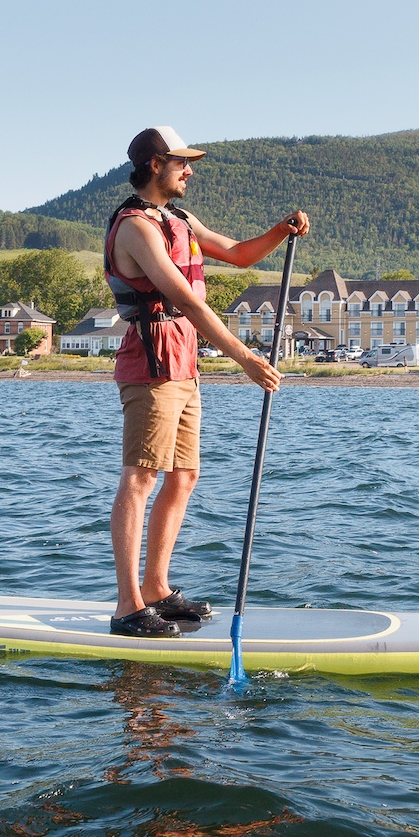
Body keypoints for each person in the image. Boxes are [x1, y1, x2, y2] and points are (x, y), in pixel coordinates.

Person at [104, 125, 310, 637]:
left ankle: (156, 588)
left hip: (184, 364)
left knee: (184, 476)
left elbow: (238, 253)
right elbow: (187, 301)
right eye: (181, 163)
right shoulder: (135, 227)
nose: (189, 172)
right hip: (150, 364)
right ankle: (128, 606)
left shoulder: (179, 219)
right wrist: (245, 358)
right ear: (155, 165)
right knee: (140, 478)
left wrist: (280, 231)